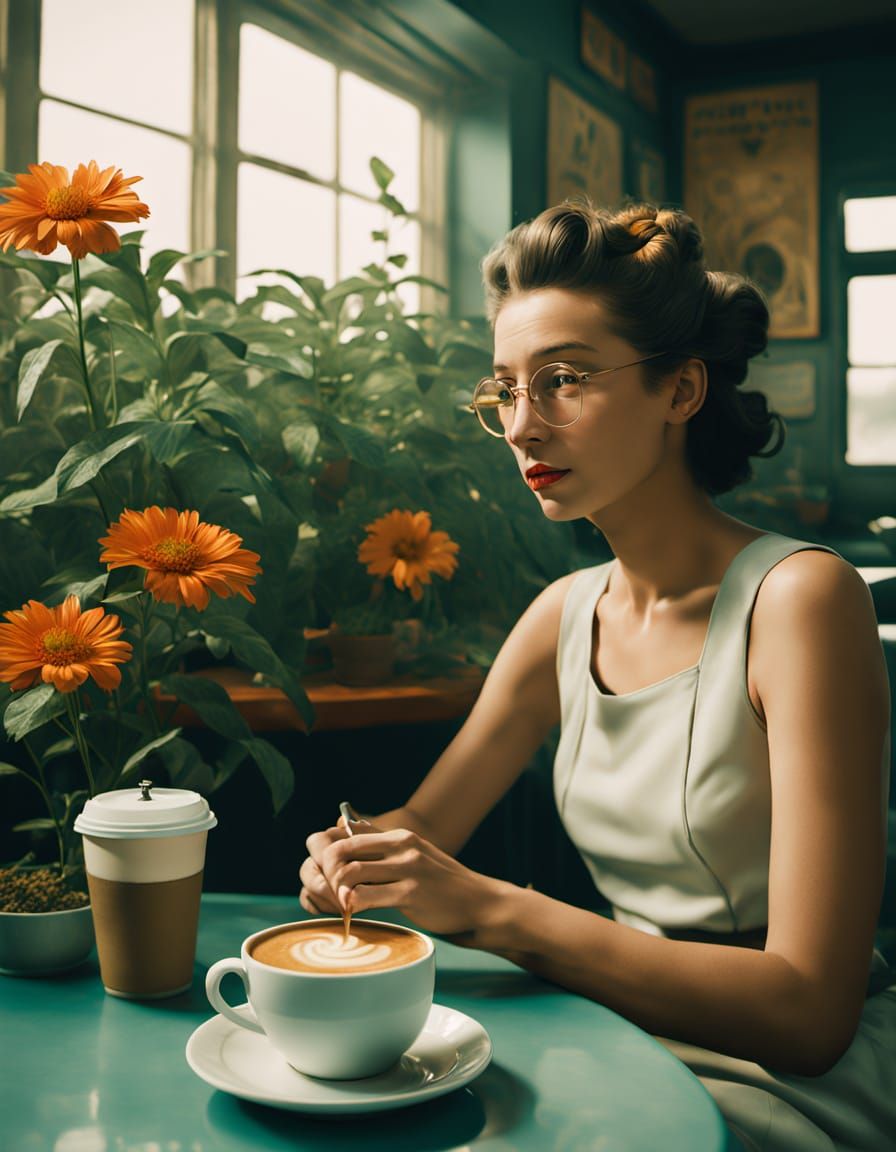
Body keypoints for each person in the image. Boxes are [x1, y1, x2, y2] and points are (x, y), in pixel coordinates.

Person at [299, 201, 895, 1151]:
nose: (524, 426)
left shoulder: (803, 602)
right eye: (505, 390)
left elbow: (809, 1015)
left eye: (564, 380)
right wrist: (355, 855)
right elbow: (420, 828)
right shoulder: (562, 616)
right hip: (608, 1034)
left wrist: (495, 909)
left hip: (781, 1078)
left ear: (681, 391)